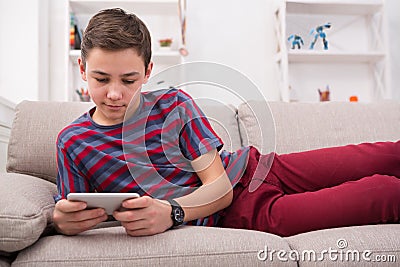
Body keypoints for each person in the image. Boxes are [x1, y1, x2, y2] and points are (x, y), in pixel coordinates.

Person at [53, 8, 400, 237]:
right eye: (101, 79)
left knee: (384, 156)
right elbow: (74, 211)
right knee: (384, 193)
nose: (114, 93)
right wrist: (62, 221)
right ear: (82, 70)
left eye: (128, 80)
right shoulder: (73, 143)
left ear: (147, 73)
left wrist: (171, 212)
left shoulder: (173, 104)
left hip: (255, 168)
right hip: (243, 214)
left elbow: (218, 186)